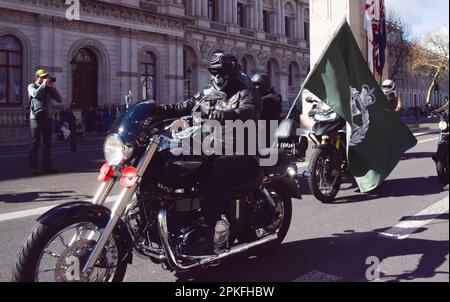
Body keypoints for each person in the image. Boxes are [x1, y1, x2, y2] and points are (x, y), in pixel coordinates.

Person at [155, 53, 262, 251]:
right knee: (174, 160)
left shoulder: (246, 92)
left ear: (232, 73)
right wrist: (156, 109)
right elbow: (184, 106)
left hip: (242, 152)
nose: (217, 77)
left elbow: (249, 111)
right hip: (210, 149)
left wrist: (223, 114)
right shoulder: (206, 93)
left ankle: (211, 226)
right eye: (213, 72)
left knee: (219, 166)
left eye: (222, 73)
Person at [28, 69, 62, 175]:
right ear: (37, 77)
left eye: (46, 77)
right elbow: (35, 94)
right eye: (42, 77)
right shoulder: (31, 86)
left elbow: (59, 99)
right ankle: (33, 167)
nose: (45, 79)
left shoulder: (48, 88)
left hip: (47, 118)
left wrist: (53, 88)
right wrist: (43, 85)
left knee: (47, 143)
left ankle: (47, 166)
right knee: (35, 142)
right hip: (35, 118)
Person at [251, 73, 282, 146]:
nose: (256, 87)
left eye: (258, 84)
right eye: (254, 84)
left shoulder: (274, 96)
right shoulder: (253, 96)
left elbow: (277, 111)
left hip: (269, 125)